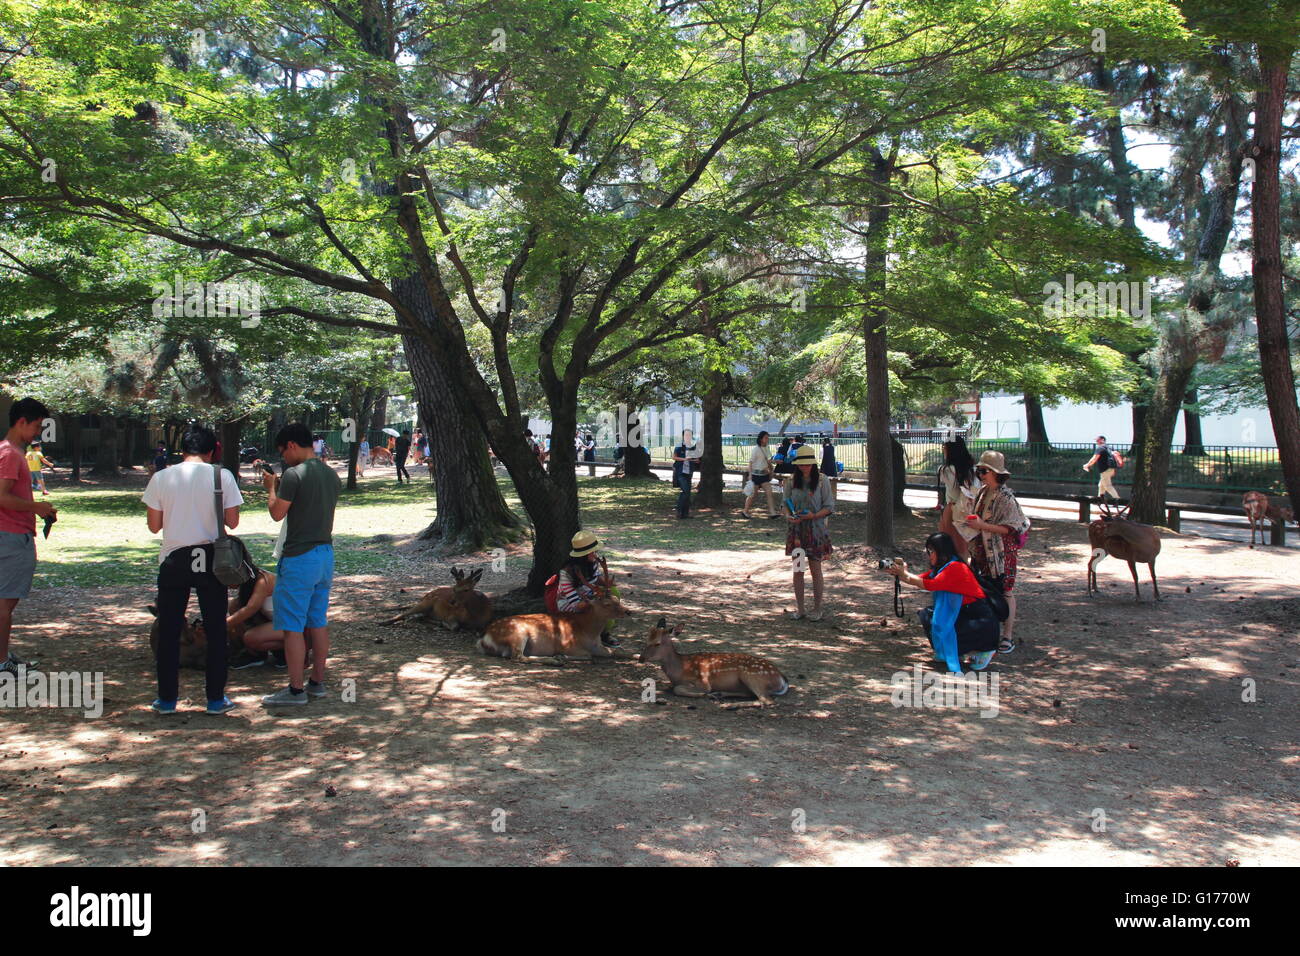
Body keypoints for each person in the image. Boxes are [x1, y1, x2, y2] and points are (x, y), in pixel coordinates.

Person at [142, 424, 241, 715]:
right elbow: (233, 521)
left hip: (175, 558)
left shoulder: (162, 477)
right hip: (212, 558)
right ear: (211, 451)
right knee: (216, 628)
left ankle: (167, 699)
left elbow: (154, 526)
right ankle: (215, 699)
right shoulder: (222, 476)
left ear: (182, 450)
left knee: (170, 629)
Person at [258, 422, 341, 707]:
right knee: (317, 620)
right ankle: (317, 682)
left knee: (292, 626)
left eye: (283, 451)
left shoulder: (294, 475)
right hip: (325, 554)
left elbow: (277, 514)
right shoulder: (331, 475)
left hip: (299, 557)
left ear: (292, 445)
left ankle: (295, 690)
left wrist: (271, 489)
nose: (283, 457)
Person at [886, 532, 1000, 673]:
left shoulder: (955, 567)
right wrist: (900, 573)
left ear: (941, 551)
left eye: (931, 551)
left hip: (978, 619)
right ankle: (954, 652)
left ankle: (985, 650)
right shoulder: (943, 567)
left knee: (938, 621)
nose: (929, 555)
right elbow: (919, 580)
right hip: (964, 614)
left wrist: (904, 574)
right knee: (928, 615)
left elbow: (930, 584)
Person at [0, 398, 56, 676]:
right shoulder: (10, 454)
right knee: (5, 603)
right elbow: (2, 496)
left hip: (10, 534)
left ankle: (3, 655)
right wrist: (37, 507)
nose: (38, 433)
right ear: (22, 422)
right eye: (37, 426)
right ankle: (2, 664)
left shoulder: (8, 451)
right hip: (11, 535)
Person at [965, 450, 1029, 655]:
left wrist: (982, 525)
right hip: (982, 552)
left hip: (1002, 554)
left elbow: (1011, 528)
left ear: (995, 473)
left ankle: (1007, 636)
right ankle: (987, 634)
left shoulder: (1006, 497)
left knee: (1005, 591)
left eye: (984, 471)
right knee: (984, 591)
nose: (980, 475)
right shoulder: (983, 492)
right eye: (979, 471)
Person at [783, 445, 834, 621]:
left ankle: (818, 608)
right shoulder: (790, 481)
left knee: (815, 570)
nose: (805, 467)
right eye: (801, 464)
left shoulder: (822, 480)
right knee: (798, 570)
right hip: (797, 533)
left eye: (808, 464)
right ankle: (801, 608)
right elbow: (785, 504)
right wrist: (789, 516)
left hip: (816, 532)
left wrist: (813, 516)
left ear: (813, 464)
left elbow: (829, 507)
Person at [224, 558, 295, 669]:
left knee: (251, 638)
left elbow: (250, 608)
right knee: (235, 605)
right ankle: (255, 654)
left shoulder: (263, 581)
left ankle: (290, 650)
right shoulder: (250, 582)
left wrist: (221, 625)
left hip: (295, 625)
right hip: (278, 622)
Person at [552, 531, 620, 646]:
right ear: (584, 555)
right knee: (602, 608)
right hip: (571, 604)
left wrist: (606, 583)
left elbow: (596, 579)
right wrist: (596, 601)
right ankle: (593, 635)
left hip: (590, 596)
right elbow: (576, 604)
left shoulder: (593, 562)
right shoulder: (566, 573)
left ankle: (603, 632)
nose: (596, 554)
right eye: (593, 551)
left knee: (613, 592)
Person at [937, 437, 979, 560]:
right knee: (964, 548)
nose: (944, 451)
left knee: (949, 547)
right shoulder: (973, 469)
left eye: (945, 448)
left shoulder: (945, 471)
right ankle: (964, 567)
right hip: (968, 510)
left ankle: (954, 569)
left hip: (952, 509)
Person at [742, 430, 779, 519]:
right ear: (761, 439)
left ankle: (773, 513)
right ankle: (745, 511)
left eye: (768, 438)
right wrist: (750, 475)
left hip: (764, 475)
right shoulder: (756, 449)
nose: (767, 439)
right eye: (766, 438)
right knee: (752, 495)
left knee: (769, 493)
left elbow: (768, 461)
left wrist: (772, 469)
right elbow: (750, 462)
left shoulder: (767, 448)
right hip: (755, 475)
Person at [1083, 435, 1123, 500]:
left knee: (1107, 486)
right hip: (1111, 469)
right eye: (1096, 440)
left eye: (1098, 440)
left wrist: (1087, 465)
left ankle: (1118, 499)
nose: (1096, 441)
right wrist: (1113, 470)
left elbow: (1094, 459)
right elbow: (1114, 458)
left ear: (1103, 440)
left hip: (1105, 470)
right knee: (1101, 485)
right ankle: (1100, 500)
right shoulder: (1110, 447)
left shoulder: (1100, 448)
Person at [671, 429, 697, 519]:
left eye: (690, 435)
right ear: (683, 436)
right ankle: (679, 511)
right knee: (685, 491)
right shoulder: (679, 446)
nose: (688, 437)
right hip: (680, 471)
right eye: (686, 435)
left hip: (689, 471)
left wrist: (695, 460)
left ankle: (685, 513)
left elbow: (696, 458)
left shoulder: (693, 446)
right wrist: (684, 459)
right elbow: (674, 457)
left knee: (688, 493)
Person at [819, 437, 839, 507]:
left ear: (824, 442)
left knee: (824, 480)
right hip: (832, 465)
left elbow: (821, 457)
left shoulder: (822, 448)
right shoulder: (833, 447)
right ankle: (833, 495)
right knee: (833, 480)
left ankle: (824, 495)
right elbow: (834, 456)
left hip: (825, 465)